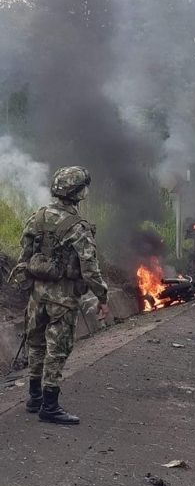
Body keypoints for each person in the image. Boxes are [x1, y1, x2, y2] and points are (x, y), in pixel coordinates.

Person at [11, 166, 109, 424]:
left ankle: (34, 398)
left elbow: (24, 257)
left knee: (36, 345)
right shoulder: (78, 227)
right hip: (63, 300)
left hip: (36, 297)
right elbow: (90, 268)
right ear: (78, 193)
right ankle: (50, 406)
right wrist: (103, 296)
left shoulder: (38, 217)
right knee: (58, 350)